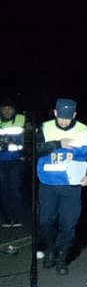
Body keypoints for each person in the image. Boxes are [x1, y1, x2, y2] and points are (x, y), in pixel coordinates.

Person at [35, 98, 87, 275]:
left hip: (72, 186)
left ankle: (61, 257)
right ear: (55, 113)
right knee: (44, 221)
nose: (64, 121)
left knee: (68, 223)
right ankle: (50, 249)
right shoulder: (45, 128)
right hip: (48, 184)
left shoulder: (84, 131)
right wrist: (57, 144)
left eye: (68, 118)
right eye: (61, 117)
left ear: (74, 115)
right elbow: (33, 149)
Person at [0, 96, 29, 228]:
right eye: (4, 108)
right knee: (3, 189)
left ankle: (16, 217)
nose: (6, 111)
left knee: (15, 188)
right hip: (1, 161)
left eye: (9, 108)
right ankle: (7, 218)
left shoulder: (21, 120)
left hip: (16, 160)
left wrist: (25, 155)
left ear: (14, 110)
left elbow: (30, 139)